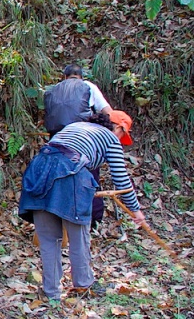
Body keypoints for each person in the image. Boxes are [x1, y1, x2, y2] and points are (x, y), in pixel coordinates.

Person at [18, 111, 145, 300]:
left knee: (49, 239)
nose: (120, 139)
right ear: (119, 127)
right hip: (70, 172)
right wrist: (136, 210)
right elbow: (121, 179)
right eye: (122, 135)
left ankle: (51, 292)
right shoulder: (110, 138)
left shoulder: (74, 127)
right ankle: (83, 285)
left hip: (39, 170)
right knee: (79, 235)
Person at [44, 63, 114, 228]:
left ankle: (61, 219)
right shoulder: (88, 86)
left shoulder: (53, 89)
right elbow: (108, 112)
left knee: (61, 178)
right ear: (81, 76)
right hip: (84, 139)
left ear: (65, 77)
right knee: (90, 178)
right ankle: (93, 219)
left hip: (57, 141)